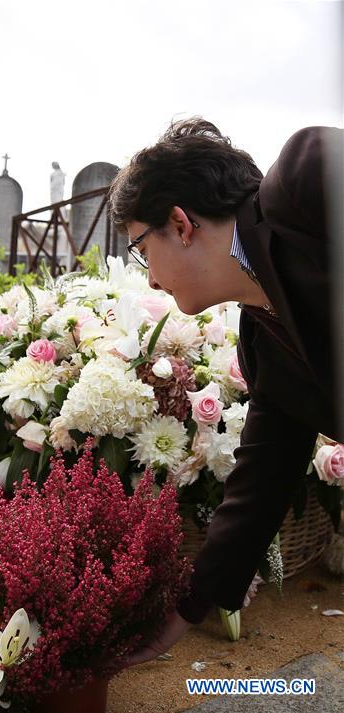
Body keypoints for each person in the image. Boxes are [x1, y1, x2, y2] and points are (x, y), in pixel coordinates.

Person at [107, 118, 343, 667]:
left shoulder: (309, 178)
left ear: (181, 223)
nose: (150, 281)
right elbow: (260, 484)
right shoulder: (264, 344)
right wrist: (184, 613)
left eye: (142, 250)